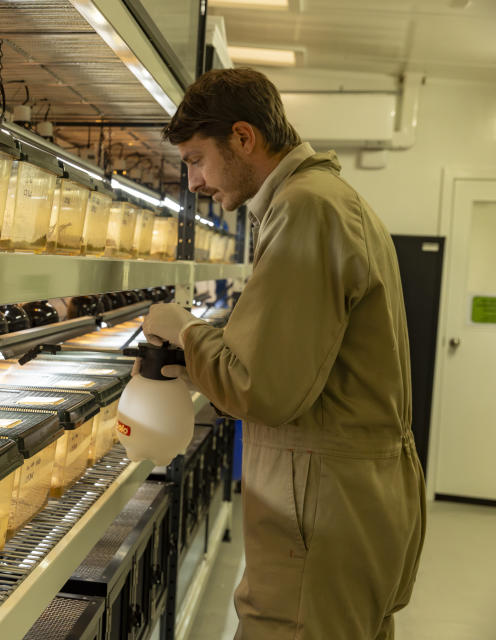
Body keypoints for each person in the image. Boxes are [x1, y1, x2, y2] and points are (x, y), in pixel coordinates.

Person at [142, 68, 426, 639]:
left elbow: (262, 389)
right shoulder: (325, 202)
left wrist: (184, 329)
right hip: (342, 502)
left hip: (320, 514)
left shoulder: (306, 209)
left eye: (197, 158)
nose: (193, 181)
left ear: (244, 138)